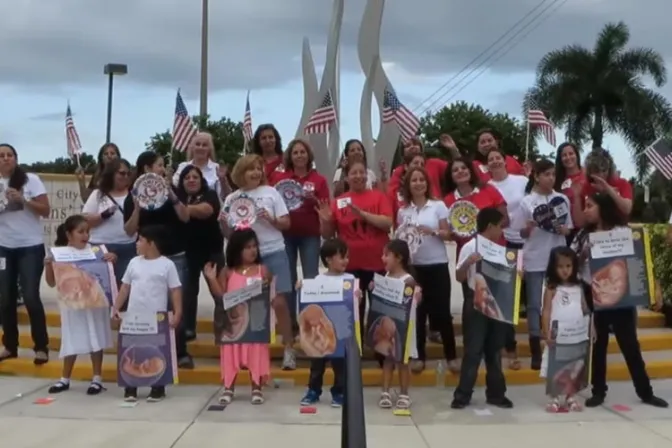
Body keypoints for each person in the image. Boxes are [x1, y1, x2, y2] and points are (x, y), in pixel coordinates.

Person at [571, 193, 668, 408]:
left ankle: (645, 392)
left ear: (603, 208)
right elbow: (569, 266)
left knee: (630, 345)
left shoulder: (622, 232)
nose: (585, 210)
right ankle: (598, 391)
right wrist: (582, 258)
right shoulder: (582, 236)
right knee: (599, 346)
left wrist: (653, 289)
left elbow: (640, 259)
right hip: (593, 294)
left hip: (621, 296)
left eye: (590, 206)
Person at [221, 154, 296, 370]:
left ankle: (289, 347)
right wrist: (224, 223)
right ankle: (246, 351)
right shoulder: (232, 198)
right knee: (247, 304)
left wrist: (271, 219)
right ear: (240, 172)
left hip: (274, 251)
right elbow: (229, 234)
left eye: (258, 168)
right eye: (251, 169)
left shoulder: (271, 193)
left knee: (280, 302)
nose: (256, 172)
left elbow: (286, 223)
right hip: (245, 258)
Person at [123, 151, 193, 368]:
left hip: (175, 256)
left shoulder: (171, 192)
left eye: (163, 165)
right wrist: (136, 208)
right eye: (160, 165)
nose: (163, 169)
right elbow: (129, 230)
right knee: (147, 302)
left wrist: (172, 196)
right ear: (146, 169)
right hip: (146, 260)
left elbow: (185, 216)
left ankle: (180, 351)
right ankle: (150, 350)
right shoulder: (132, 195)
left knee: (176, 305)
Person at [316, 160, 393, 330]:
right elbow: (327, 235)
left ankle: (379, 351)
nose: (358, 176)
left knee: (379, 311)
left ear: (367, 175)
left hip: (377, 263)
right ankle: (354, 350)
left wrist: (362, 214)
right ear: (346, 178)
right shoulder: (338, 201)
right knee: (354, 311)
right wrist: (326, 221)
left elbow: (387, 223)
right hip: (349, 265)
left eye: (361, 172)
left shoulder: (378, 196)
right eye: (353, 173)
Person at [43, 215, 114, 395]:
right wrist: (48, 265)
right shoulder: (59, 253)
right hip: (72, 305)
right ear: (69, 234)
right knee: (71, 337)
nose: (85, 235)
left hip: (94, 303)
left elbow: (107, 273)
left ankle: (97, 378)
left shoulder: (96, 251)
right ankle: (65, 378)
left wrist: (112, 259)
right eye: (80, 232)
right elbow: (51, 283)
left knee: (95, 337)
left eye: (87, 231)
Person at [397, 167, 458, 374]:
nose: (418, 183)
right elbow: (401, 240)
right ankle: (418, 357)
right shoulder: (403, 211)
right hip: (415, 267)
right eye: (414, 180)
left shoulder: (438, 206)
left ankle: (451, 356)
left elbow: (449, 234)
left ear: (427, 183)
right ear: (408, 185)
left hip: (437, 264)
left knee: (442, 313)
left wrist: (432, 231)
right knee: (418, 313)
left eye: (421, 179)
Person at [112, 225, 183, 402]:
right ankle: (130, 387)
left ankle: (158, 387)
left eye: (141, 240)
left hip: (156, 317)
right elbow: (125, 287)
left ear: (151, 243)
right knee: (132, 350)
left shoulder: (167, 265)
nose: (137, 244)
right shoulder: (134, 263)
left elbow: (175, 290)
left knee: (157, 350)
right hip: (134, 317)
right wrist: (116, 307)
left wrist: (178, 311)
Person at [452, 207, 512, 409]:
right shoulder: (470, 246)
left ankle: (496, 393)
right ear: (490, 226)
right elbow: (459, 277)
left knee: (494, 350)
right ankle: (462, 395)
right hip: (475, 301)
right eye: (499, 227)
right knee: (473, 350)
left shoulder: (502, 250)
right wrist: (468, 262)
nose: (501, 231)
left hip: (496, 301)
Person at [203, 228, 271, 405]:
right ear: (236, 249)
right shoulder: (228, 271)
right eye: (247, 247)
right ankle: (228, 387)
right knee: (230, 353)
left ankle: (256, 387)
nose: (252, 250)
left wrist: (266, 286)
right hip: (234, 323)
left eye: (254, 246)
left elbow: (270, 293)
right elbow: (220, 295)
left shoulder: (262, 269)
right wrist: (211, 278)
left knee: (256, 351)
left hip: (255, 321)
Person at [519, 158, 573, 370]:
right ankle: (535, 348)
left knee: (559, 302)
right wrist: (529, 228)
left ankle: (558, 343)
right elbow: (520, 233)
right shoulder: (526, 202)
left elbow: (569, 228)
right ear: (536, 176)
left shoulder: (561, 199)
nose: (551, 178)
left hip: (557, 257)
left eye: (553, 174)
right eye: (546, 174)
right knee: (534, 304)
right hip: (534, 257)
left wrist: (564, 231)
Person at [0, 143, 51, 364]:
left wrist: (24, 200)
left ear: (16, 158)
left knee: (30, 295)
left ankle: (41, 346)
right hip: (3, 247)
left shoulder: (30, 180)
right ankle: (10, 346)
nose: (5, 159)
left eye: (9, 155)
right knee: (5, 298)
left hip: (30, 246)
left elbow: (46, 210)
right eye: (1, 156)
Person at [275, 139, 330, 327]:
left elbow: (325, 207)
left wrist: (313, 198)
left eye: (302, 152)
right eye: (295, 152)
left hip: (310, 235)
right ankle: (292, 323)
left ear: (309, 155)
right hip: (286, 235)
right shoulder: (281, 180)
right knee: (288, 279)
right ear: (290, 156)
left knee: (310, 278)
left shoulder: (319, 180)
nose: (299, 155)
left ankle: (310, 321)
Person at [487, 148, 528, 369]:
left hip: (527, 244)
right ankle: (509, 348)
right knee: (506, 298)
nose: (494, 161)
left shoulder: (522, 181)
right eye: (490, 159)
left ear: (505, 160)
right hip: (503, 246)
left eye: (498, 158)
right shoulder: (487, 187)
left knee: (525, 298)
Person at [299, 238, 351, 408]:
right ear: (328, 259)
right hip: (319, 334)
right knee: (317, 364)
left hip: (341, 333)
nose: (345, 261)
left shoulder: (350, 280)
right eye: (341, 257)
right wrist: (302, 288)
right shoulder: (318, 281)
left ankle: (339, 392)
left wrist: (357, 296)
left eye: (346, 257)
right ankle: (313, 390)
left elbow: (353, 305)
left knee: (340, 365)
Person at [175, 165, 224, 341]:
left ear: (201, 180)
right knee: (188, 293)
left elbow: (207, 210)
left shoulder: (209, 194)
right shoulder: (178, 196)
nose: (191, 180)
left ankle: (224, 330)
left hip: (212, 251)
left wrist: (182, 209)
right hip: (188, 252)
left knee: (219, 292)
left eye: (195, 177)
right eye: (187, 177)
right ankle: (188, 329)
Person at [540, 247, 591, 412]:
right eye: (560, 266)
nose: (565, 270)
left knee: (574, 366)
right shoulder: (551, 288)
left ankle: (570, 396)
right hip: (557, 335)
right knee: (556, 365)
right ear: (553, 268)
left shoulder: (578, 287)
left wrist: (591, 327)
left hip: (576, 335)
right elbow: (546, 310)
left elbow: (584, 309)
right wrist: (545, 331)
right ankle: (554, 397)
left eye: (568, 266)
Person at [377, 239, 419, 411]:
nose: (383, 258)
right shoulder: (385, 277)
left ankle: (403, 393)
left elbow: (411, 300)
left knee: (403, 360)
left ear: (399, 257)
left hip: (404, 326)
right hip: (388, 326)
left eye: (387, 255)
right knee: (388, 358)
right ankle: (385, 391)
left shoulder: (408, 280)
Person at [81, 158, 136, 285]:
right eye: (122, 173)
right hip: (100, 247)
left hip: (127, 248)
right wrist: (103, 216)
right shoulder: (98, 194)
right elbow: (84, 220)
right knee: (100, 290)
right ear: (112, 174)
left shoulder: (134, 195)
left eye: (128, 174)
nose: (126, 177)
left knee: (124, 290)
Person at [443, 157, 508, 256]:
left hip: (495, 250)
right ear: (451, 176)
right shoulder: (448, 200)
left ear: (470, 170)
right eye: (455, 170)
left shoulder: (488, 189)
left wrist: (487, 229)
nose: (460, 171)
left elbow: (506, 220)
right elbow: (449, 232)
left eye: (464, 168)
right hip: (468, 253)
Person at [387, 136, 454, 199]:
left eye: (416, 144)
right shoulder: (399, 171)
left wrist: (453, 150)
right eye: (407, 145)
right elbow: (391, 195)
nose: (412, 147)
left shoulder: (434, 163)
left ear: (421, 148)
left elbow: (458, 170)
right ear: (403, 152)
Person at [172, 132, 231, 199]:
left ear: (209, 149)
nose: (201, 147)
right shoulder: (183, 166)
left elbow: (227, 196)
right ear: (192, 147)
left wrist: (222, 179)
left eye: (204, 145)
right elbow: (173, 187)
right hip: (186, 207)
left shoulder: (216, 168)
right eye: (198, 144)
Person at [554, 143, 585, 243]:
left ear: (577, 155)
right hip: (565, 231)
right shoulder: (556, 180)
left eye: (571, 153)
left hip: (586, 229)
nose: (568, 157)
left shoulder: (587, 175)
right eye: (564, 155)